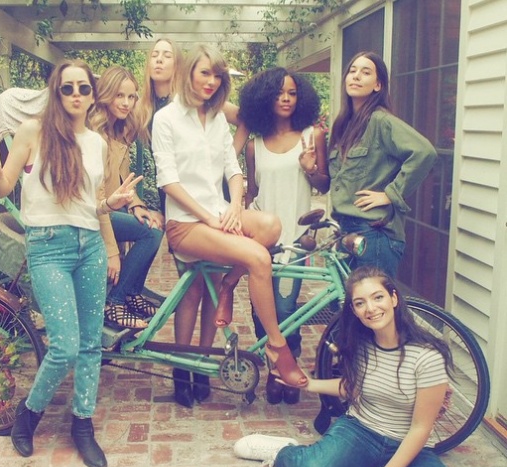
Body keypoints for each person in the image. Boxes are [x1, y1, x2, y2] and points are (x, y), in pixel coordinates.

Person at [0, 59, 142, 467]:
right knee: (65, 345)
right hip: (48, 246)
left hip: (89, 245)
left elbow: (91, 204)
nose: (76, 95)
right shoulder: (33, 131)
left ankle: (82, 424)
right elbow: (4, 186)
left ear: (92, 94)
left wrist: (112, 203)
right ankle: (29, 414)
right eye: (67, 88)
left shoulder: (96, 143)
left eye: (83, 88)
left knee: (90, 344)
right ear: (56, 91)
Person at [151, 44, 309, 397]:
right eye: (205, 73)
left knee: (271, 226)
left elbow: (233, 170)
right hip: (186, 223)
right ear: (189, 73)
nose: (212, 81)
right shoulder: (167, 118)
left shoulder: (217, 118)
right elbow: (168, 181)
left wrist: (235, 207)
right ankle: (275, 347)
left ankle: (207, 355)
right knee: (253, 260)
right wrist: (209, 218)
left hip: (219, 213)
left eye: (217, 75)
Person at [233, 266, 453, 467]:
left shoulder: (428, 356)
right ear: (354, 311)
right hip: (361, 432)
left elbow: (420, 428)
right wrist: (309, 384)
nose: (371, 308)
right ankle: (283, 451)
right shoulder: (361, 342)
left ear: (393, 298)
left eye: (378, 297)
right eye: (360, 303)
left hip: (410, 445)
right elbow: (354, 388)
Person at [238, 68, 330, 405]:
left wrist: (310, 169)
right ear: (265, 99)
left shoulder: (312, 136)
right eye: (279, 93)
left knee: (287, 309)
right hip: (261, 241)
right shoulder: (254, 145)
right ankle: (274, 371)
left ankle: (287, 368)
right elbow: (252, 193)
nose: (286, 98)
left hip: (296, 239)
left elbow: (324, 185)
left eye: (292, 92)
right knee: (260, 310)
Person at [327, 51, 437, 277]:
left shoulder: (381, 120)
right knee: (347, 298)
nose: (356, 76)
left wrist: (390, 194)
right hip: (346, 230)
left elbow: (424, 152)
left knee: (375, 299)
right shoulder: (344, 125)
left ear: (378, 85)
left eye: (365, 72)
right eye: (352, 71)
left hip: (373, 233)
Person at [89, 65, 164, 329]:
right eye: (120, 95)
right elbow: (98, 194)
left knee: (151, 225)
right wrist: (112, 252)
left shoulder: (119, 130)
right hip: (92, 212)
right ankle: (117, 301)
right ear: (106, 94)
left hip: (111, 208)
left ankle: (131, 293)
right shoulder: (94, 134)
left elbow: (122, 180)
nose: (126, 103)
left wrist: (136, 205)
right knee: (150, 234)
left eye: (131, 97)